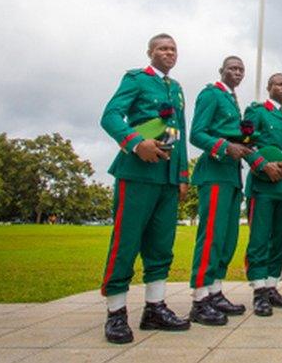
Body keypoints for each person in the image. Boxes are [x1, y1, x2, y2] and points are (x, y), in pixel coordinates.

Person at [98, 33, 191, 343]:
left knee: (161, 245)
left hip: (166, 178)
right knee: (127, 241)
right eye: (163, 48)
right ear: (150, 52)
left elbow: (180, 131)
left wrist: (181, 175)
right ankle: (116, 312)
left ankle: (154, 308)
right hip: (137, 173)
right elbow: (110, 116)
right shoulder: (136, 79)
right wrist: (136, 144)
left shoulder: (176, 88)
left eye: (173, 49)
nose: (169, 53)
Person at [189, 56, 252, 326]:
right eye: (232, 68)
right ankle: (200, 298)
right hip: (214, 173)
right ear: (221, 71)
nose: (236, 73)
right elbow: (196, 134)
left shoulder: (232, 99)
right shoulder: (211, 94)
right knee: (212, 235)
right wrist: (226, 147)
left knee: (227, 237)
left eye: (240, 69)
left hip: (231, 175)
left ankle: (215, 291)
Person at [241, 73, 282, 317]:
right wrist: (263, 165)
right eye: (279, 84)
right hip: (263, 184)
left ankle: (272, 285)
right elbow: (247, 143)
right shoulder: (257, 111)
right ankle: (259, 290)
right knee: (260, 238)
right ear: (269, 88)